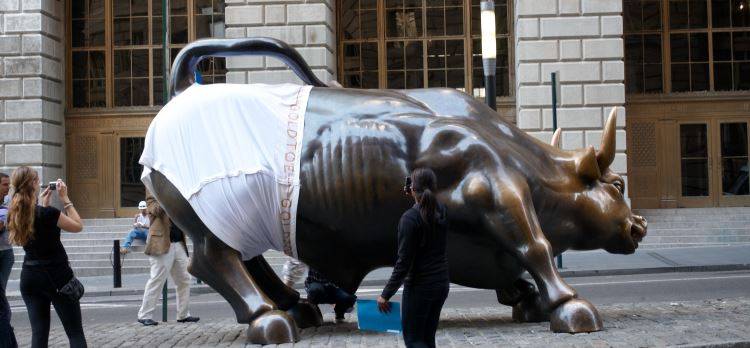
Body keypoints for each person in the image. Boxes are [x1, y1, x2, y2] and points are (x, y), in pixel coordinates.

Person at [8, 167, 86, 347]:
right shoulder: (48, 213)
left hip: (30, 277)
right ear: (34, 184)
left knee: (39, 334)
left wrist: (43, 205)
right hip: (57, 277)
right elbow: (78, 225)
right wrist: (65, 198)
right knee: (75, 333)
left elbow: (36, 229)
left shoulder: (16, 212)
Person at [377, 168, 449, 348]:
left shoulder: (410, 219)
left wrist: (386, 295)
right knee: (427, 338)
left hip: (420, 287)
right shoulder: (442, 211)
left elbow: (403, 263)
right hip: (441, 283)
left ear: (412, 190)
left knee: (414, 341)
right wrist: (415, 194)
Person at [136, 189, 199, 326]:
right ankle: (144, 315)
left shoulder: (176, 189)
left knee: (184, 279)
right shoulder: (152, 190)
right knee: (157, 279)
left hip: (179, 243)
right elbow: (155, 210)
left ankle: (183, 315)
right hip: (161, 242)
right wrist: (168, 196)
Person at [0, 172, 17, 347]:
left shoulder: (8, 204)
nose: (8, 188)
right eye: (5, 184)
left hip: (6, 252)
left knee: (1, 291)